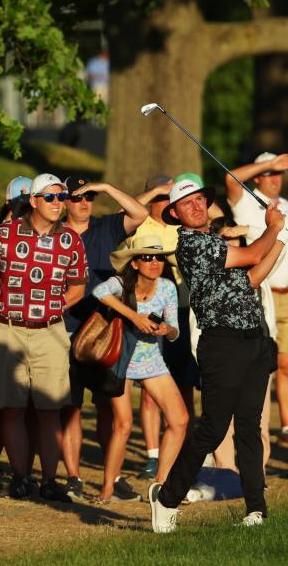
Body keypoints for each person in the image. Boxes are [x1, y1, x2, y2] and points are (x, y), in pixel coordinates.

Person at [149, 177, 288, 533]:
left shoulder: (214, 240)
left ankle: (256, 509)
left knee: (249, 426)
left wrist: (281, 239)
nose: (196, 206)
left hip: (253, 340)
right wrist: (271, 229)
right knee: (213, 428)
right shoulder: (192, 244)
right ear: (176, 213)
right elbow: (253, 254)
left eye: (200, 199)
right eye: (187, 203)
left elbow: (252, 278)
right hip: (221, 344)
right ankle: (166, 498)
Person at [0, 173, 88, 502]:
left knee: (50, 410)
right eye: (50, 197)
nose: (58, 203)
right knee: (11, 408)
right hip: (8, 327)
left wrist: (52, 307)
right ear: (34, 201)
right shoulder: (4, 235)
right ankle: (22, 476)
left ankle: (50, 480)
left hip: (50, 331)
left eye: (62, 197)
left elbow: (78, 288)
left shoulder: (70, 240)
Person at [225, 151, 288, 447]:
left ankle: (287, 426)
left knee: (287, 365)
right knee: (261, 366)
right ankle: (256, 425)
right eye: (270, 174)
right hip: (260, 296)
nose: (275, 179)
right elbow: (229, 178)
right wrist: (269, 163)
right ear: (258, 176)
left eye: (279, 174)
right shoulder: (245, 201)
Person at [61, 174, 146, 500]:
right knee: (70, 407)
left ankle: (115, 475)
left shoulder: (106, 226)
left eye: (88, 197)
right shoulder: (56, 233)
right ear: (65, 202)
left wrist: (108, 187)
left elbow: (139, 215)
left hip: (104, 330)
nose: (84, 203)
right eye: (77, 197)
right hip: (67, 327)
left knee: (108, 406)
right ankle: (73, 477)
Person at [91, 236, 188, 503]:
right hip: (121, 361)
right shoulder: (121, 283)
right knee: (122, 425)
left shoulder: (167, 287)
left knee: (179, 420)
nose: (154, 262)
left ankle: (161, 484)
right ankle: (107, 489)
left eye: (158, 257)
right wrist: (133, 316)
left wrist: (166, 330)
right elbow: (99, 292)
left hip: (152, 362)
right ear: (134, 263)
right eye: (147, 257)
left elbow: (174, 331)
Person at [129, 174, 196, 480]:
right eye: (162, 198)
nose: (167, 203)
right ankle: (153, 455)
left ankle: (182, 444)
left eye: (171, 198)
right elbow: (123, 213)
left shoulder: (183, 226)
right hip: (150, 309)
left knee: (182, 383)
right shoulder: (143, 223)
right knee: (149, 389)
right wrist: (153, 190)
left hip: (181, 309)